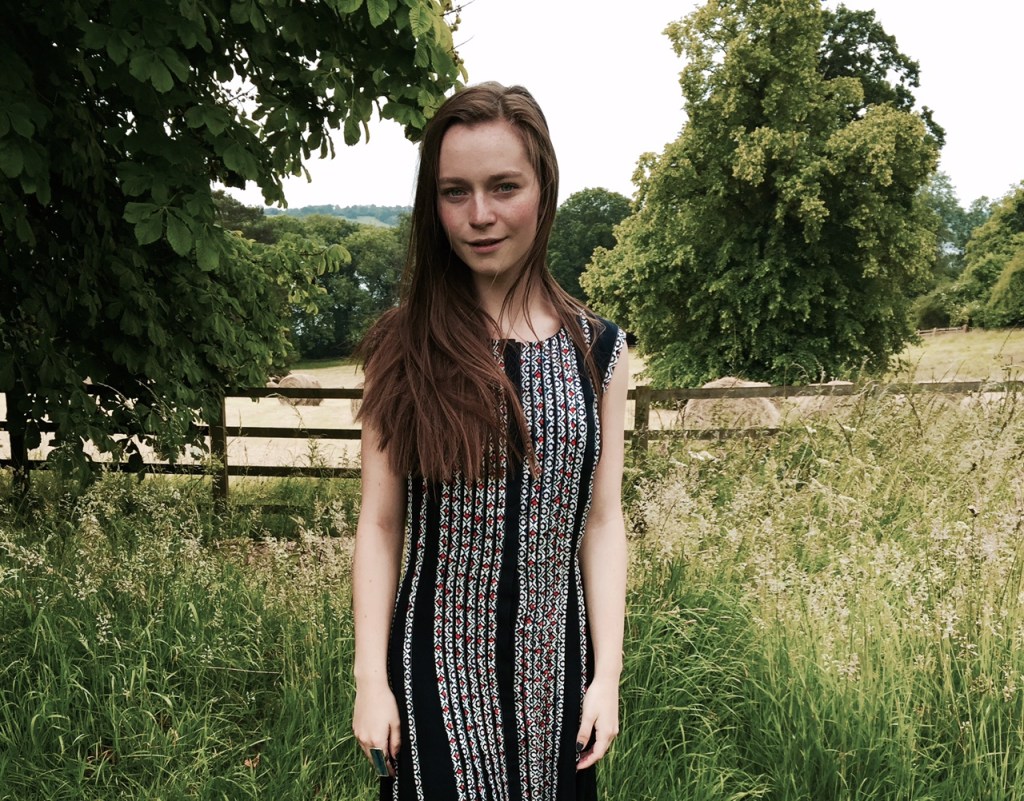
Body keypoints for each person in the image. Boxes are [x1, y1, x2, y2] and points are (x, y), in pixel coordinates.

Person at [351, 81, 629, 801]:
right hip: (433, 676)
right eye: (455, 192)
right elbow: (380, 524)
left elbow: (602, 522)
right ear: (433, 204)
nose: (480, 215)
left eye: (504, 186)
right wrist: (370, 679)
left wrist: (607, 676)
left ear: (544, 188)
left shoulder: (599, 350)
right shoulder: (404, 345)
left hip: (558, 676)